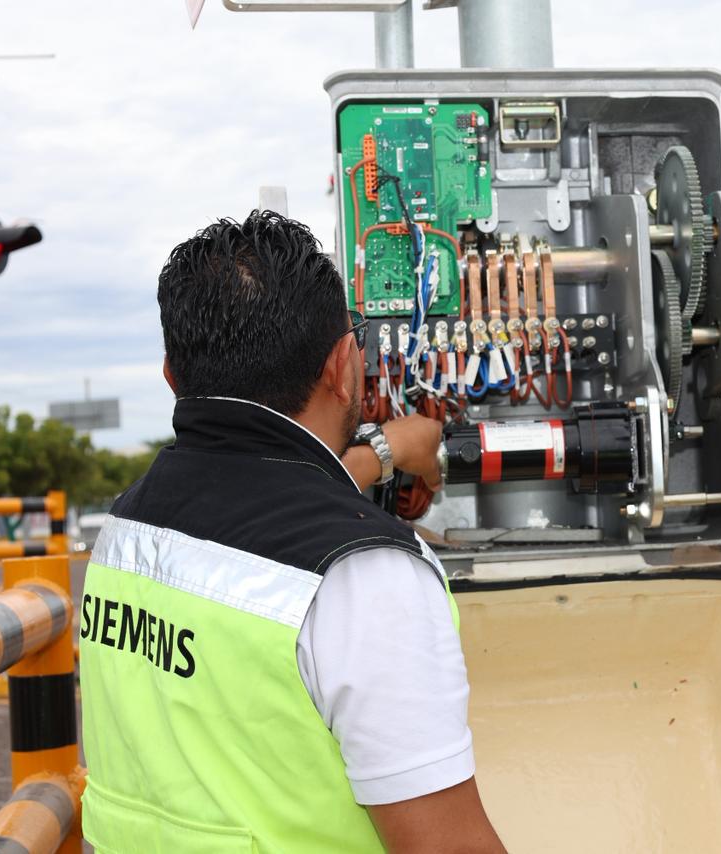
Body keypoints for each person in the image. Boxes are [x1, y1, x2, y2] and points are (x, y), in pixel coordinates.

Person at [78, 211, 506, 853]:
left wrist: (382, 453)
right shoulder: (365, 576)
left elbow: (255, 493)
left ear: (171, 374)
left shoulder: (126, 528)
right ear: (343, 365)